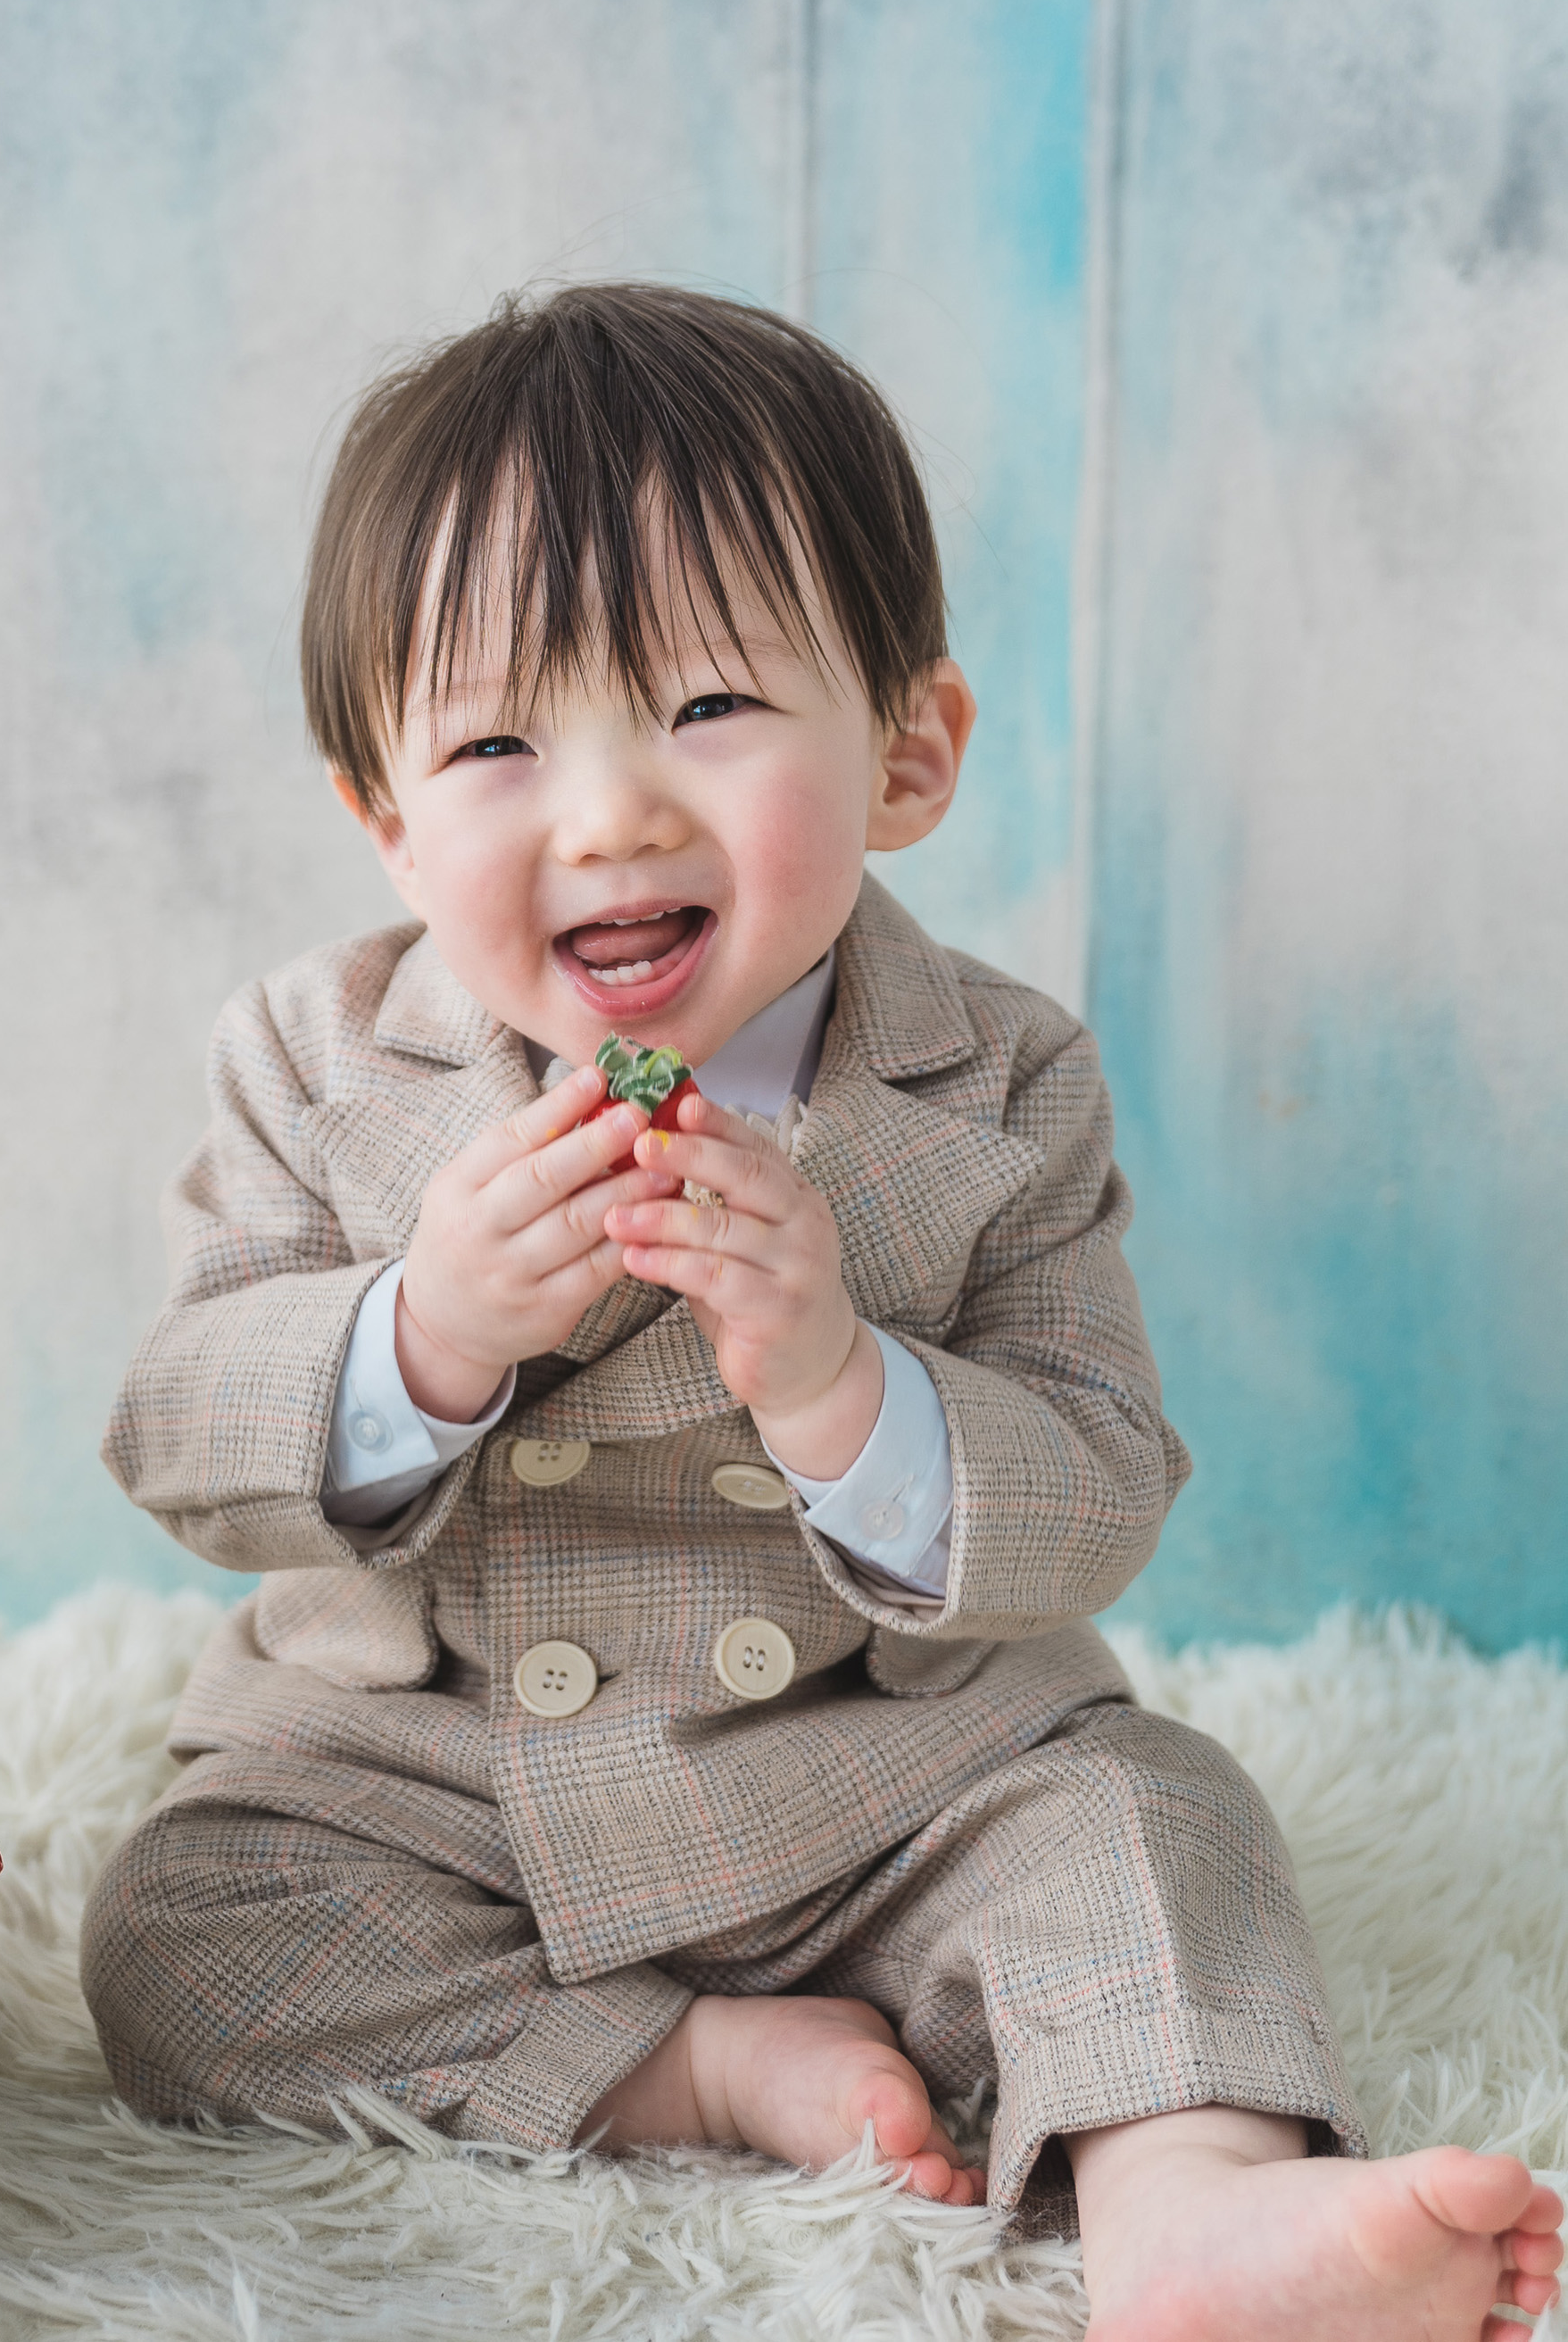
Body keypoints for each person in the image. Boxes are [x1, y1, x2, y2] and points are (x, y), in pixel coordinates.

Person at [79, 282, 1562, 2338]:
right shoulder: (308, 1059)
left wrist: (841, 1383)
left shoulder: (1000, 1080)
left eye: (704, 705)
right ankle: (683, 2067)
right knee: (175, 1934)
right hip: (439, 1769)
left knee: (1155, 1816)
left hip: (886, 1764)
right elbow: (175, 1431)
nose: (608, 814)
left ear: (905, 752)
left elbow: (1097, 1482)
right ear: (386, 817)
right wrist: (421, 1330)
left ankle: (1191, 2205)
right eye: (496, 742)